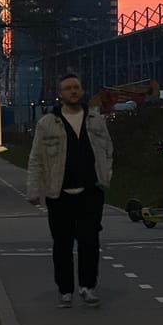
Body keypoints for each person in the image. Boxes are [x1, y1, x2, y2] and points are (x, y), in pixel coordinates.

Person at [26, 73, 113, 309]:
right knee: (62, 244)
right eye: (68, 88)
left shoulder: (95, 120)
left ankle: (87, 286)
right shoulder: (47, 123)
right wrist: (33, 190)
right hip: (59, 193)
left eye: (76, 87)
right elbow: (36, 159)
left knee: (89, 241)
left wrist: (105, 177)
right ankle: (65, 290)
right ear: (60, 94)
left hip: (91, 192)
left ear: (82, 91)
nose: (73, 91)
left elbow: (107, 151)